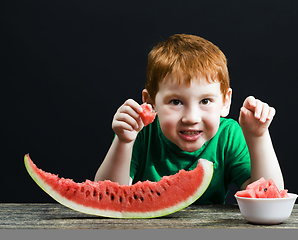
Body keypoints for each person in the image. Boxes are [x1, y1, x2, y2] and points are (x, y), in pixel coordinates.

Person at [95, 34, 284, 204]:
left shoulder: (229, 135)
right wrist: (124, 141)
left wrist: (258, 137)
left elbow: (269, 199)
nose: (191, 118)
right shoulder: (140, 133)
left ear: (225, 102)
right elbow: (106, 198)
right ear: (150, 103)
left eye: (205, 101)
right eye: (176, 102)